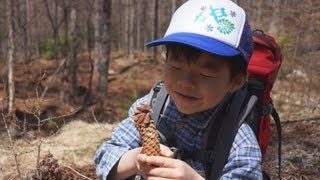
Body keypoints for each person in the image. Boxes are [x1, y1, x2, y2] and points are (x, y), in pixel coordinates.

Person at [94, 0, 262, 179]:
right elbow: (105, 156)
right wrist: (136, 159)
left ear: (236, 81)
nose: (186, 83)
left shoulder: (238, 140)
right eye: (176, 67)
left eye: (205, 74)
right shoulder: (151, 107)